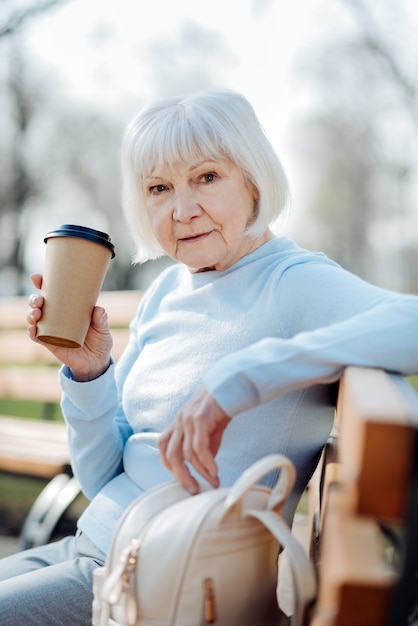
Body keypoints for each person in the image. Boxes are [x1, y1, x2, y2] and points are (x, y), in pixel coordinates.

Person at [0, 89, 417, 625]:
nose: (182, 209)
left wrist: (245, 376)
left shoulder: (292, 282)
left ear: (252, 177)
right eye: (159, 188)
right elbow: (102, 475)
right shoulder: (167, 290)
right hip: (95, 553)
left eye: (206, 177)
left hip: (166, 586)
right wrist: (89, 373)